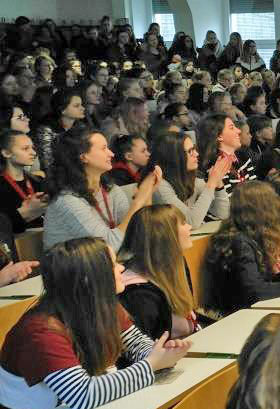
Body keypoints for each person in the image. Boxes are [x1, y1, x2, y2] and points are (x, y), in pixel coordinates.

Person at [0, 237, 191, 409]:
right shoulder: (41, 331)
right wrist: (151, 365)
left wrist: (161, 352)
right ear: (87, 279)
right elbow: (83, 395)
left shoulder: (102, 304)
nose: (122, 268)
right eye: (113, 264)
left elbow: (135, 343)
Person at [201, 181, 280, 318]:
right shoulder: (238, 242)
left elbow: (263, 283)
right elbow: (257, 292)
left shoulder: (247, 235)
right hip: (234, 318)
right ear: (261, 209)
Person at [44, 128, 161, 251]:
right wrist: (139, 200)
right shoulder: (67, 201)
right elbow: (109, 247)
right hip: (74, 268)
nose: (111, 154)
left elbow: (138, 233)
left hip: (105, 264)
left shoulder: (110, 189)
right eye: (103, 148)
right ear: (83, 157)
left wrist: (147, 194)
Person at [117, 205, 200, 339]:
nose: (190, 227)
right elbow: (150, 348)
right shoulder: (137, 293)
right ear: (165, 235)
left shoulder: (177, 262)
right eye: (183, 223)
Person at [150, 133, 231, 229]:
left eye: (194, 149)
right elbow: (191, 223)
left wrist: (218, 183)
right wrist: (211, 183)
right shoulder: (160, 186)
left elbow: (223, 213)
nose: (196, 154)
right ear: (174, 157)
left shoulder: (193, 179)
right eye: (190, 151)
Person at [196, 113, 257, 194]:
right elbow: (226, 202)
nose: (239, 131)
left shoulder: (243, 155)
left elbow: (255, 189)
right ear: (219, 136)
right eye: (232, 128)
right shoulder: (213, 166)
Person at [0, 130, 47, 233]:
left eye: (32, 148)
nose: (33, 153)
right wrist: (24, 213)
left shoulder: (38, 181)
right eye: (25, 149)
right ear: (6, 153)